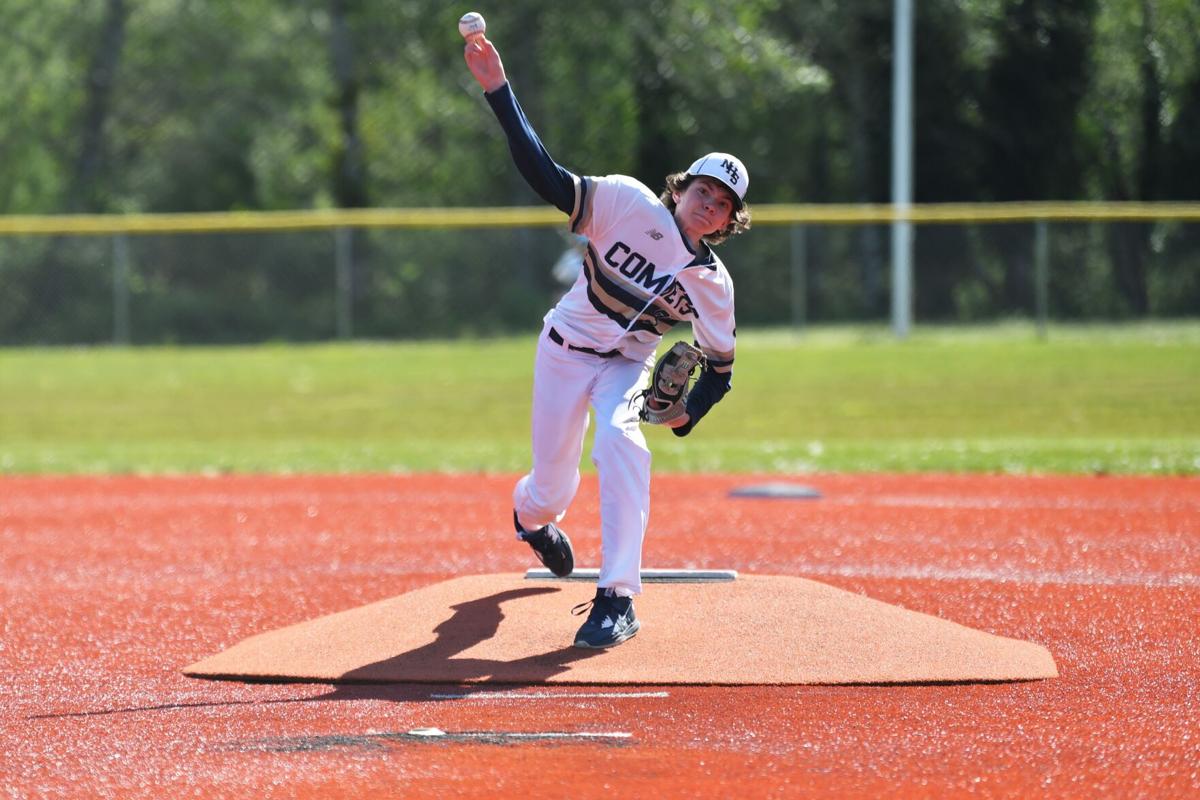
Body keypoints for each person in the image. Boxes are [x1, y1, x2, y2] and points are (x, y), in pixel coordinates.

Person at [464, 34, 751, 649]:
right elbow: (547, 177)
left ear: (730, 222)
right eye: (704, 189)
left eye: (723, 203)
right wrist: (498, 90)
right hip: (563, 350)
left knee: (622, 444)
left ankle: (617, 597)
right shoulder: (626, 203)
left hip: (627, 366)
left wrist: (685, 414)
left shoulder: (713, 286)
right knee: (550, 490)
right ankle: (531, 520)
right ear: (681, 188)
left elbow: (721, 371)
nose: (709, 204)